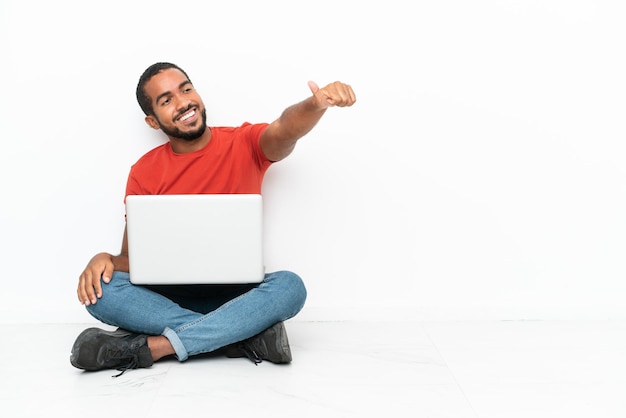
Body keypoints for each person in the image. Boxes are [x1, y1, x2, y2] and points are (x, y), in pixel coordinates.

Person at [70, 62, 356, 376]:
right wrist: (105, 259)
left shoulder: (244, 143)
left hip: (238, 295)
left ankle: (154, 348)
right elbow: (132, 258)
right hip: (169, 298)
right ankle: (241, 337)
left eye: (186, 89)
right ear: (152, 121)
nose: (183, 102)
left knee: (290, 287)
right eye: (166, 101)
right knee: (101, 294)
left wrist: (315, 106)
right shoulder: (144, 171)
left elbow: (285, 129)